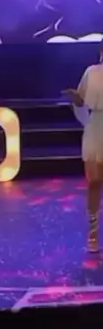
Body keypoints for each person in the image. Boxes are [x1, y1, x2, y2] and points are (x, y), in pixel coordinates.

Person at [63, 41, 103, 252]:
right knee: (94, 181)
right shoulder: (91, 72)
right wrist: (75, 97)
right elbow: (81, 100)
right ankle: (93, 234)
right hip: (96, 127)